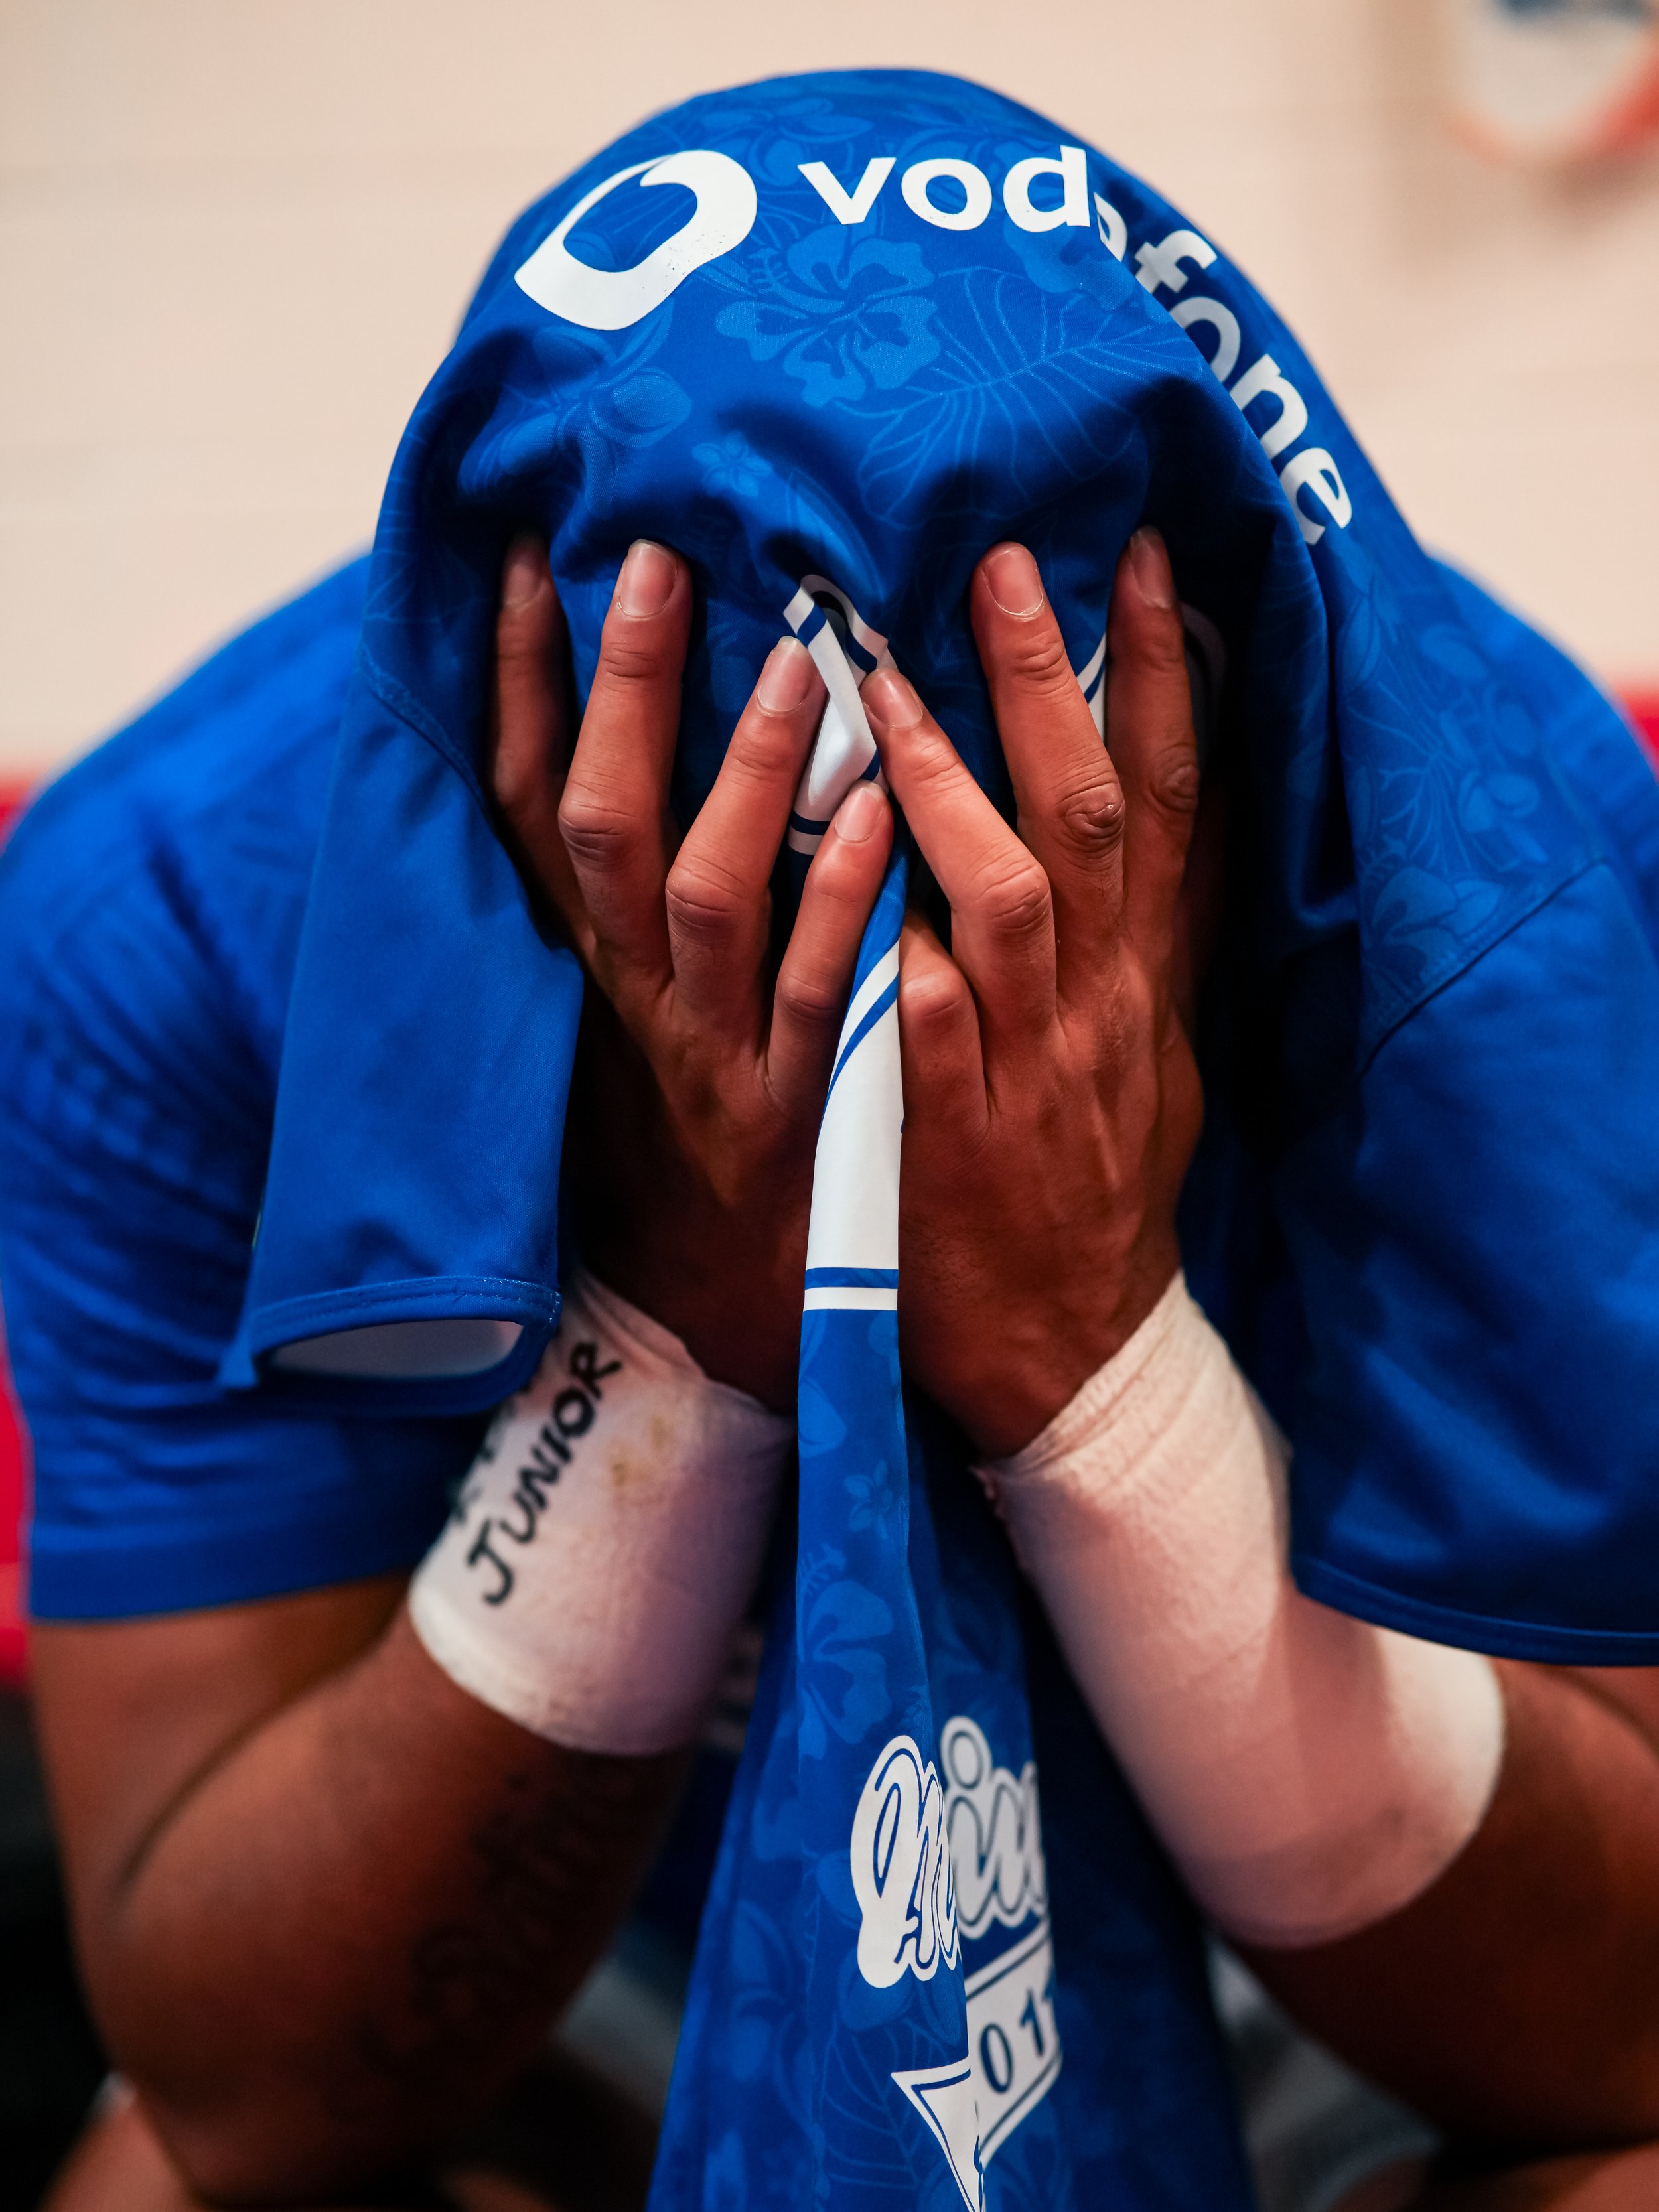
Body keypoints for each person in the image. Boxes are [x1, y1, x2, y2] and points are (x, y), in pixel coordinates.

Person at [7, 70, 1659, 2212]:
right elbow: (237, 2080)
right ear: (525, 750)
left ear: (1207, 687)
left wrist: (1096, 1366)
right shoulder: (186, 915)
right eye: (750, 861)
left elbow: (1624, 2018)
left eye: (1018, 852)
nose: (898, 979)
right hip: (600, 1987)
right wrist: (678, 1334)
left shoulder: (1483, 860)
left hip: (1308, 1972)